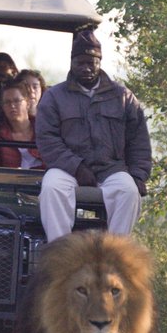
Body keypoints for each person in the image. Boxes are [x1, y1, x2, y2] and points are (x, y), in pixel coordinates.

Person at [35, 28, 151, 240]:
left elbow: (138, 140)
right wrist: (76, 167)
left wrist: (138, 175)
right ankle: (61, 251)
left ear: (100, 62)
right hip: (67, 170)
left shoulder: (122, 96)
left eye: (92, 62)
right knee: (52, 187)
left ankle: (115, 253)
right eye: (81, 62)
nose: (87, 68)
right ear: (72, 63)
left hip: (111, 168)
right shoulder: (54, 97)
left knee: (128, 191)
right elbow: (47, 140)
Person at [0, 78, 44, 170]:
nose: (12, 106)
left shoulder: (45, 130)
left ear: (28, 103)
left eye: (17, 101)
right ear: (2, 107)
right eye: (7, 102)